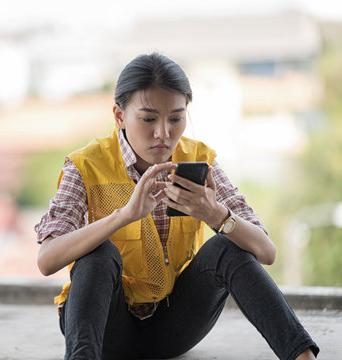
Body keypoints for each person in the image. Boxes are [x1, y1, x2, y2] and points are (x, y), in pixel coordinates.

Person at [34, 52, 319, 360]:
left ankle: (302, 357)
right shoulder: (85, 165)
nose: (163, 134)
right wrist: (125, 215)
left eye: (175, 118)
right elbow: (47, 260)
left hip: (172, 327)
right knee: (97, 254)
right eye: (148, 119)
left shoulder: (199, 161)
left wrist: (216, 215)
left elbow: (267, 252)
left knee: (227, 246)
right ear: (119, 116)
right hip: (105, 332)